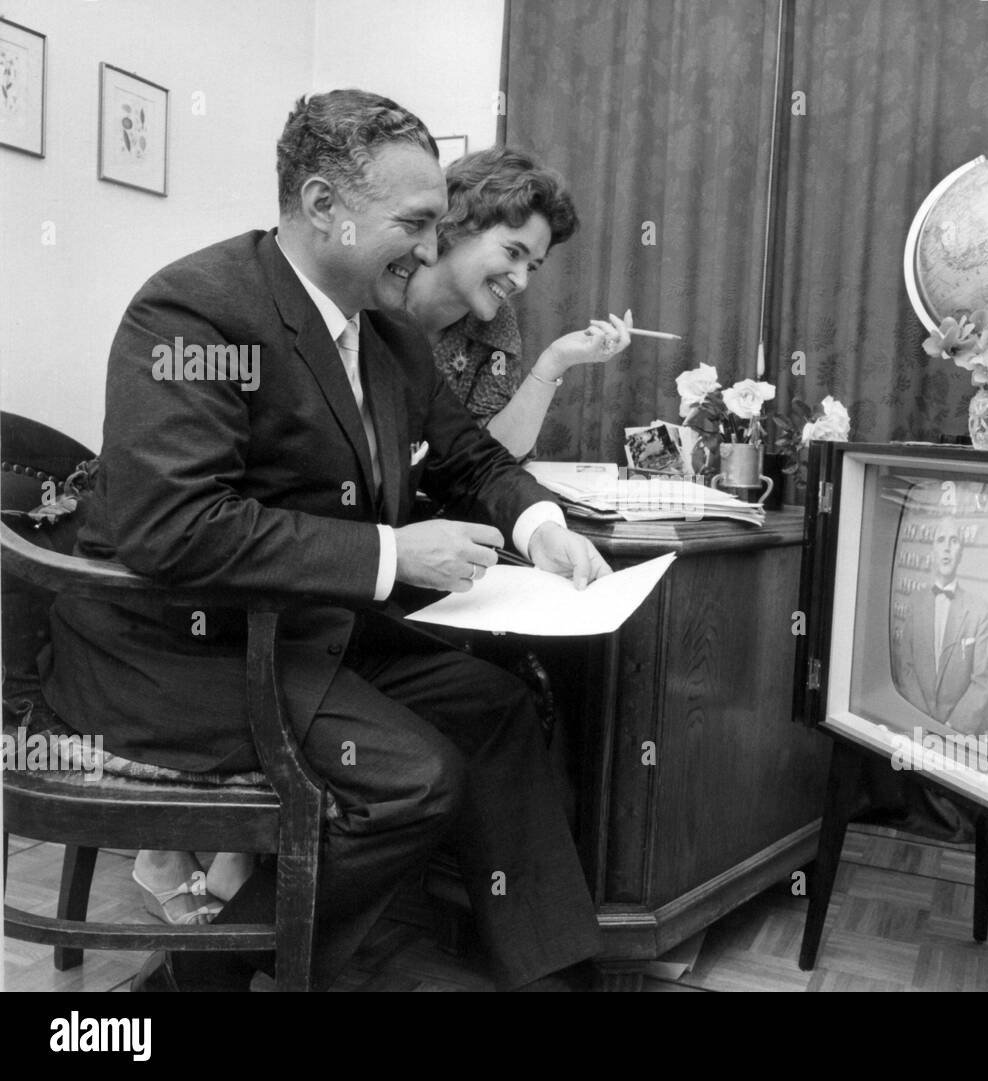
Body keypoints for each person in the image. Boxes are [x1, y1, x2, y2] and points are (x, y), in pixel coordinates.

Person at [39, 88, 613, 991]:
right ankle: (198, 972)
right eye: (416, 223)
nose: (431, 250)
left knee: (497, 706)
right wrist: (390, 556)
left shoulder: (387, 336)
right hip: (175, 647)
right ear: (321, 207)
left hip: (303, 629)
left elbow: (468, 459)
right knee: (414, 779)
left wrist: (539, 525)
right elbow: (172, 527)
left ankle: (552, 971)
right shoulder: (197, 312)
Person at [403, 145, 632, 460]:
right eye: (513, 252)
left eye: (532, 267)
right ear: (458, 224)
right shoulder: (377, 291)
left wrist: (555, 360)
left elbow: (492, 455)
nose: (521, 281)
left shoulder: (496, 325)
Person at [894, 516, 988, 732]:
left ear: (961, 554)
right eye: (941, 540)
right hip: (916, 725)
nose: (947, 548)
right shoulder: (916, 602)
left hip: (957, 733)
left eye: (954, 541)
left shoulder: (979, 610)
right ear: (933, 551)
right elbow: (907, 667)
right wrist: (922, 720)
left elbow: (983, 680)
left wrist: (951, 727)